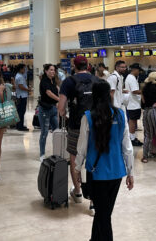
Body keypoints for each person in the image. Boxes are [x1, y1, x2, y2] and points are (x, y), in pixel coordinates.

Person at [75, 81, 134, 241]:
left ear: (94, 96)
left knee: (103, 215)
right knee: (104, 212)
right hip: (116, 172)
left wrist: (77, 168)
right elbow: (127, 146)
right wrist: (130, 172)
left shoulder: (88, 117)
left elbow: (82, 148)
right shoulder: (121, 115)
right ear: (110, 95)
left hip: (96, 172)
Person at [58, 55, 99, 205]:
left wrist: (64, 115)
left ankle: (78, 191)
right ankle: (94, 201)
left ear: (74, 66)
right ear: (88, 65)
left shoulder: (68, 82)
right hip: (95, 125)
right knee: (93, 159)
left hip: (76, 126)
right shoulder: (97, 80)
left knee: (75, 158)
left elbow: (61, 108)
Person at [37, 64, 60, 162]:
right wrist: (59, 99)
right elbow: (48, 93)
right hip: (44, 110)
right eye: (50, 70)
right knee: (44, 132)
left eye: (54, 70)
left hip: (53, 109)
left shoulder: (53, 81)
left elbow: (56, 90)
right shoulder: (44, 81)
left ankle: (57, 152)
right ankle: (42, 154)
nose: (53, 72)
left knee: (57, 131)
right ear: (46, 71)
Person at [124, 63, 143, 147]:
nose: (139, 72)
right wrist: (144, 91)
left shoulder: (131, 77)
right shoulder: (131, 78)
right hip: (133, 103)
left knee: (133, 120)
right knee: (132, 121)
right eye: (138, 70)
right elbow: (134, 91)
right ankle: (132, 139)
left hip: (133, 103)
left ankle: (132, 137)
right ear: (134, 70)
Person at [14, 64, 31, 131]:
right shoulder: (20, 77)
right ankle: (20, 126)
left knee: (19, 111)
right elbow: (20, 86)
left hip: (19, 95)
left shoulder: (18, 75)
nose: (24, 70)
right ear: (20, 69)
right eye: (24, 69)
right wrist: (28, 89)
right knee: (21, 111)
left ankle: (18, 125)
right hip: (22, 96)